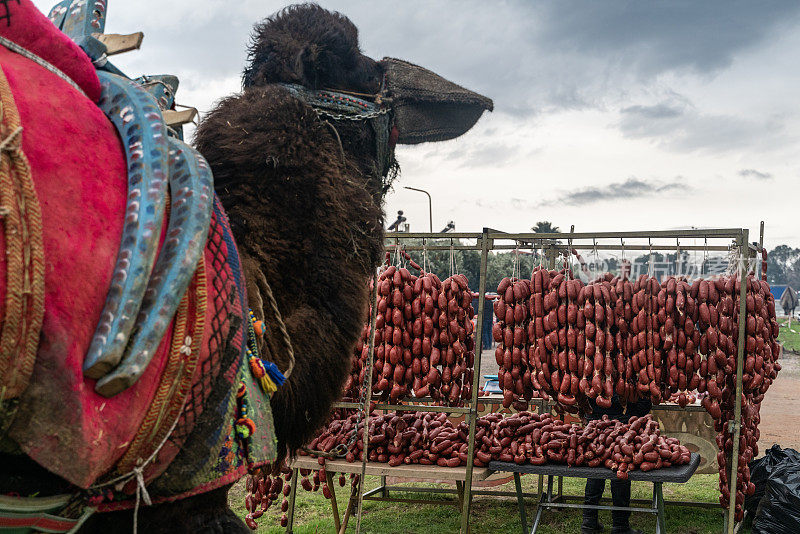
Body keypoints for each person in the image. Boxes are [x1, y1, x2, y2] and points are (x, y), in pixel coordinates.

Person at [581, 395, 651, 534]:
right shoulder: (632, 375)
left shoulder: (593, 375)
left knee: (596, 469)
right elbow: (643, 404)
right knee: (620, 470)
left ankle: (589, 521)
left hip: (596, 423)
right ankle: (620, 525)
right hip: (623, 425)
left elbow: (583, 396)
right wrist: (636, 416)